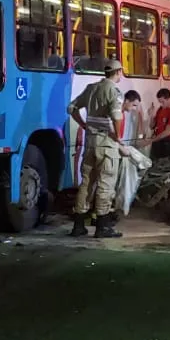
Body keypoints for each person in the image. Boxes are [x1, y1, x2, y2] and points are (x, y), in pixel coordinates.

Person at [67, 61, 126, 238]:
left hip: (90, 142)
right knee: (105, 184)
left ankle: (78, 226)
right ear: (118, 72)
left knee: (86, 183)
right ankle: (102, 226)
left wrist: (84, 125)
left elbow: (71, 108)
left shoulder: (91, 88)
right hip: (106, 145)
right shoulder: (113, 91)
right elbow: (116, 116)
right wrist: (118, 136)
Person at [147, 87, 170, 160]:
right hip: (157, 143)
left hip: (168, 144)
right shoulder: (160, 110)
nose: (161, 104)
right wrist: (151, 115)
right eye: (160, 102)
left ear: (169, 99)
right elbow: (152, 126)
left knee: (165, 166)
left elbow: (167, 132)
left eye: (163, 102)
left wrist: (150, 141)